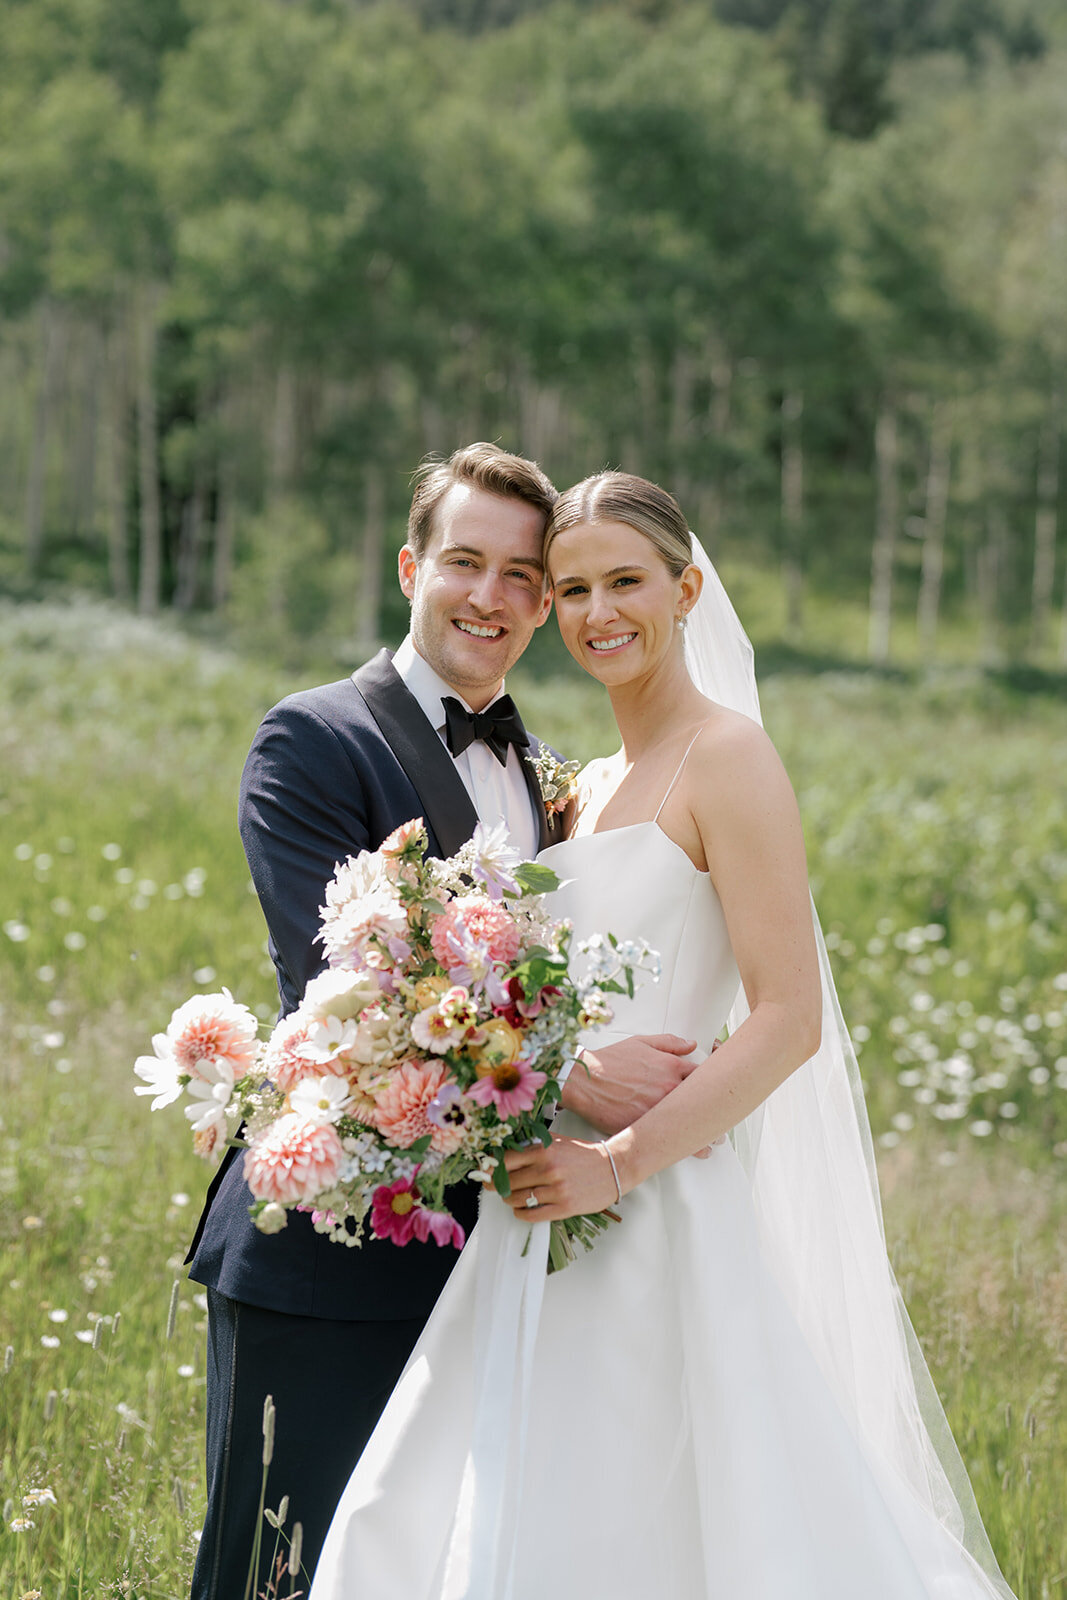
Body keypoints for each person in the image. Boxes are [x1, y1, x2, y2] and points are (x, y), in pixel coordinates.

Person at [309, 472, 1017, 1600]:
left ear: (687, 589)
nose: (598, 613)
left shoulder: (724, 756)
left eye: (625, 582)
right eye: (573, 586)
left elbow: (787, 1018)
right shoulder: (577, 788)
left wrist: (620, 1163)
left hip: (653, 1204)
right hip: (536, 1205)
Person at [183, 447, 703, 1599]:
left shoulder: (543, 771)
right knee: (274, 1571)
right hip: (329, 1241)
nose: (493, 597)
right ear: (411, 563)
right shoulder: (313, 738)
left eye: (526, 576)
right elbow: (343, 989)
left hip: (498, 1254)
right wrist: (571, 1074)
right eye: (465, 562)